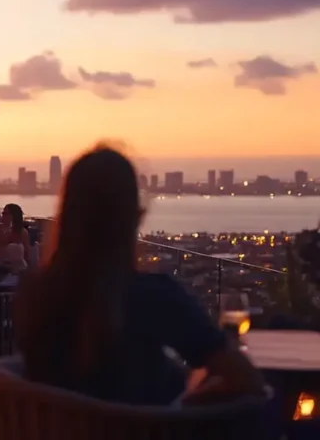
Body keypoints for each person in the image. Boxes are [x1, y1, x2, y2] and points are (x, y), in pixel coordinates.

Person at [15, 146, 267, 406]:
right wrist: (186, 405)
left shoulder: (34, 294)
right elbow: (246, 379)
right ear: (133, 218)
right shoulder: (154, 297)